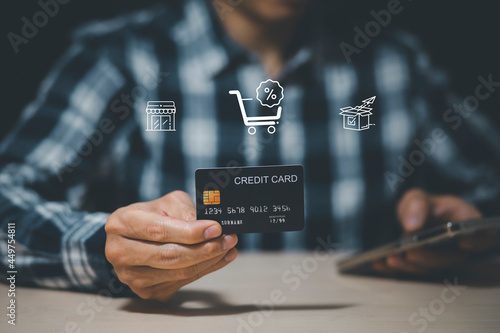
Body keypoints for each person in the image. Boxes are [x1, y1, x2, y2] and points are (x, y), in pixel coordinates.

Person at [0, 0, 499, 302]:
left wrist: (466, 226)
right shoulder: (121, 56)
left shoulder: (395, 61)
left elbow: (491, 185)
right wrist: (109, 250)